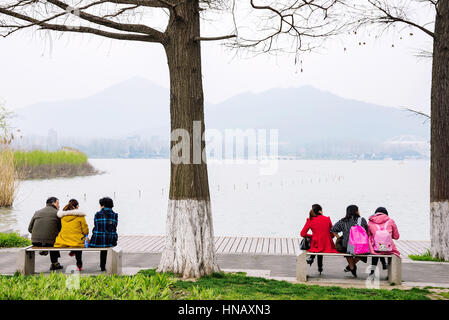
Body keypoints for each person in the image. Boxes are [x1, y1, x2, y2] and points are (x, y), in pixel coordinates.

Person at [331, 205, 368, 277]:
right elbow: (366, 231)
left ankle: (351, 267)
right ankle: (351, 266)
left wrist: (339, 238)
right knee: (363, 251)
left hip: (346, 245)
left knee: (346, 249)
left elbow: (333, 229)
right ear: (357, 211)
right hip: (360, 245)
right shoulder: (362, 220)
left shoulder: (343, 221)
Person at [300, 204, 338, 274]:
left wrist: (313, 236)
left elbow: (302, 234)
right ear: (320, 211)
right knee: (321, 244)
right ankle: (320, 267)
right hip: (327, 245)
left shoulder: (310, 220)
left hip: (316, 244)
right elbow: (332, 235)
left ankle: (312, 259)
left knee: (317, 245)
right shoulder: (327, 219)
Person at [28, 196, 63, 271]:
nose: (59, 205)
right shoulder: (57, 213)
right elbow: (61, 230)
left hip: (35, 242)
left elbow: (29, 229)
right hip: (50, 242)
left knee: (50, 240)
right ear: (53, 203)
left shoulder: (37, 212)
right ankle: (55, 263)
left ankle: (44, 247)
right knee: (55, 242)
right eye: (58, 203)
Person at [54, 199, 89, 271]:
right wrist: (86, 234)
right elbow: (85, 230)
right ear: (76, 206)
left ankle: (73, 250)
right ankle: (79, 265)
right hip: (75, 240)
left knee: (74, 239)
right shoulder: (80, 216)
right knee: (78, 242)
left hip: (63, 240)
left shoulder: (63, 217)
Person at [367, 207, 400, 276]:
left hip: (375, 249)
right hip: (389, 249)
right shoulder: (390, 221)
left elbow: (368, 234)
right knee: (382, 246)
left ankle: (372, 272)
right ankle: (386, 268)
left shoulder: (370, 222)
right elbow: (396, 237)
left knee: (377, 247)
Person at [88, 197, 118, 271]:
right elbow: (114, 226)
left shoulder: (97, 214)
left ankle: (102, 266)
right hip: (111, 240)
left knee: (102, 239)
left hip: (98, 240)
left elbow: (96, 225)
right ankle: (104, 266)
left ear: (103, 205)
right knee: (108, 238)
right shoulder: (115, 215)